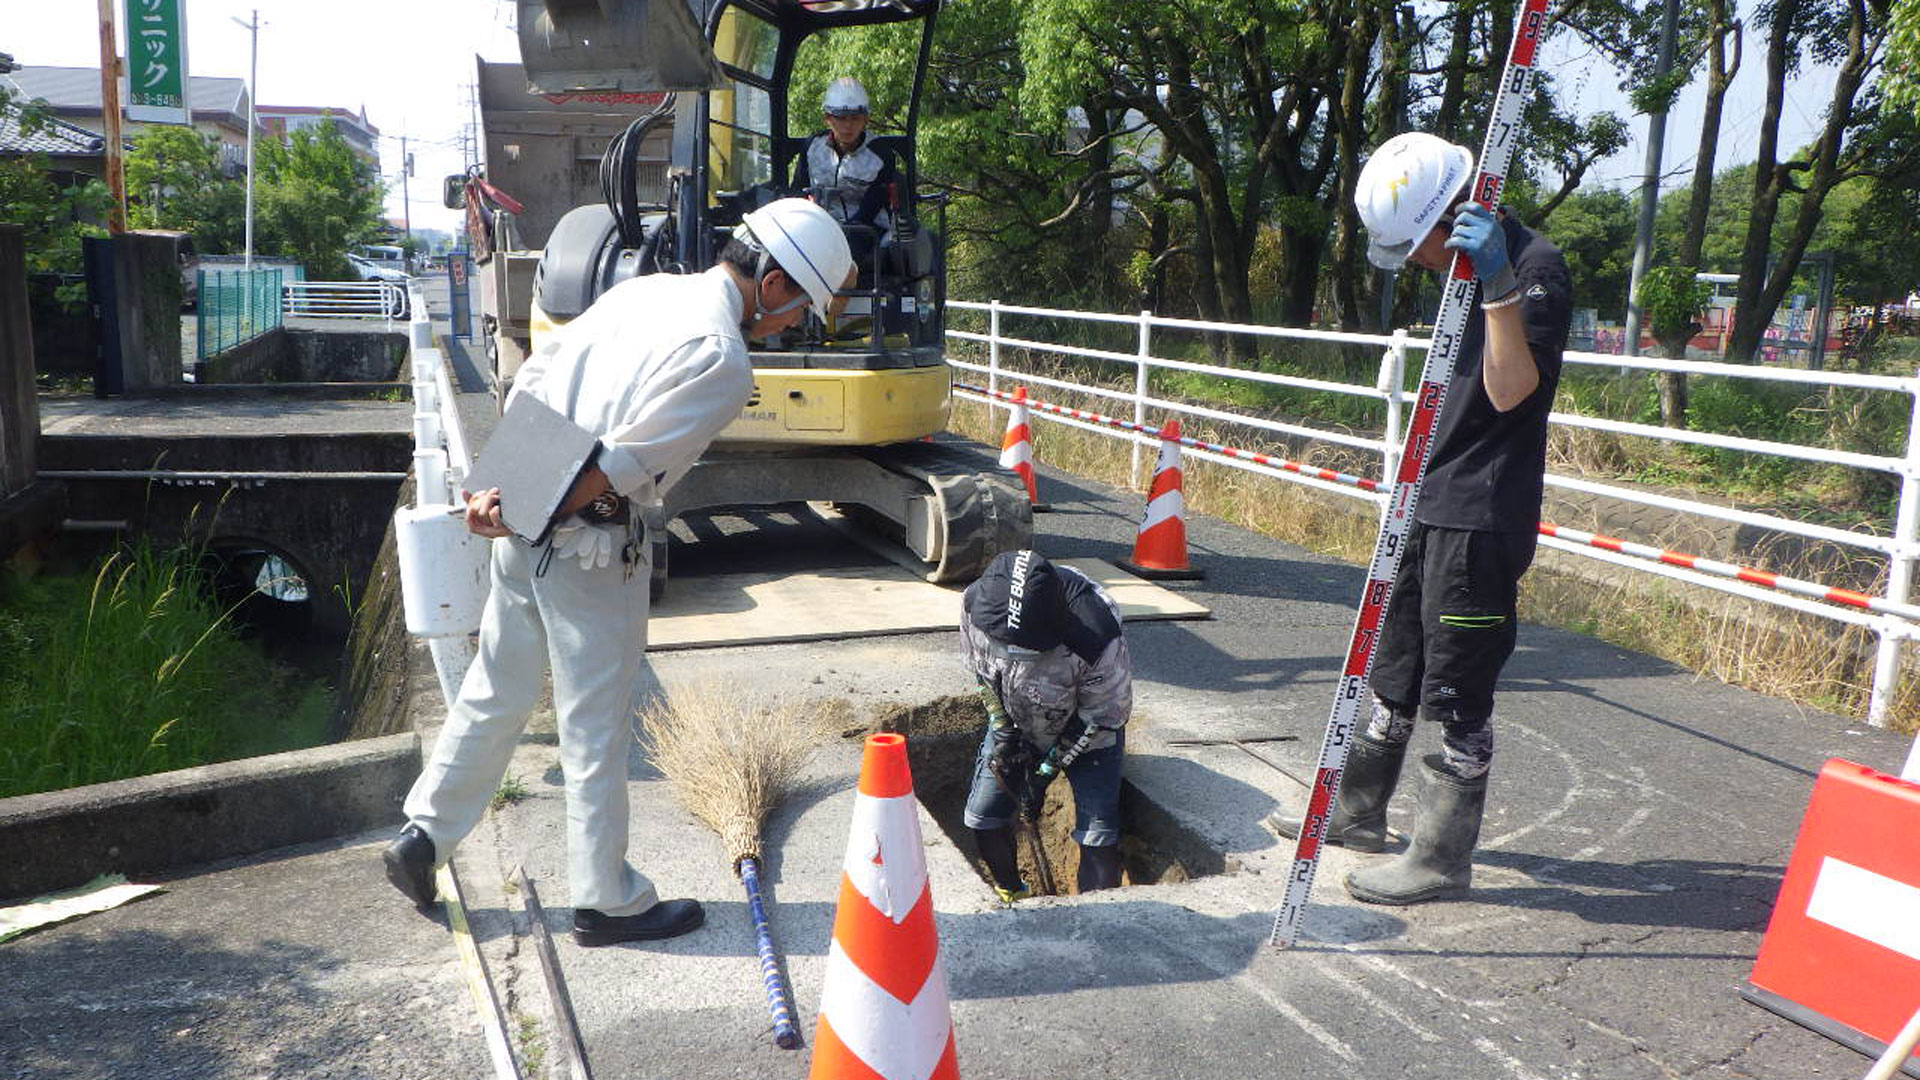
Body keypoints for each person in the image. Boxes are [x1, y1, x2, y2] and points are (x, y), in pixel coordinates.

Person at [383, 199, 854, 945]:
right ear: (771, 285)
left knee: (494, 690)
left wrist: (497, 499)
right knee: (596, 726)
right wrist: (524, 509)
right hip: (589, 549)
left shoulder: (647, 290)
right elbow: (615, 468)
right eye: (797, 310)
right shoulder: (721, 360)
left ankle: (423, 837)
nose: (791, 327)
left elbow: (536, 382)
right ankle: (606, 899)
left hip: (526, 524)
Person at [1265, 131, 1571, 906]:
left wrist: (1499, 285)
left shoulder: (1530, 268)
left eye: (1416, 246)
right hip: (1431, 498)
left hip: (1481, 514)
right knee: (1395, 666)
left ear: (1449, 216)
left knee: (1460, 692)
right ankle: (1359, 810)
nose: (1415, 261)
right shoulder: (1462, 267)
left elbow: (1511, 395)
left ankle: (1440, 856)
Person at [960, 550, 1133, 901]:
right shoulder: (975, 605)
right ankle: (1012, 894)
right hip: (1015, 719)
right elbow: (981, 674)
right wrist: (1003, 726)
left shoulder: (1095, 632)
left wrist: (1043, 775)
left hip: (1086, 732)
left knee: (1097, 837)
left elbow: (1103, 717)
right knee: (982, 818)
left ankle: (1097, 920)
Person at [791, 76, 896, 264]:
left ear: (866, 120)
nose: (848, 125)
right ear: (827, 119)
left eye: (855, 118)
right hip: (818, 226)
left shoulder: (881, 154)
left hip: (866, 230)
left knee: (847, 250)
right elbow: (797, 190)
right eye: (841, 118)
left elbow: (871, 208)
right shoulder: (812, 147)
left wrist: (838, 234)